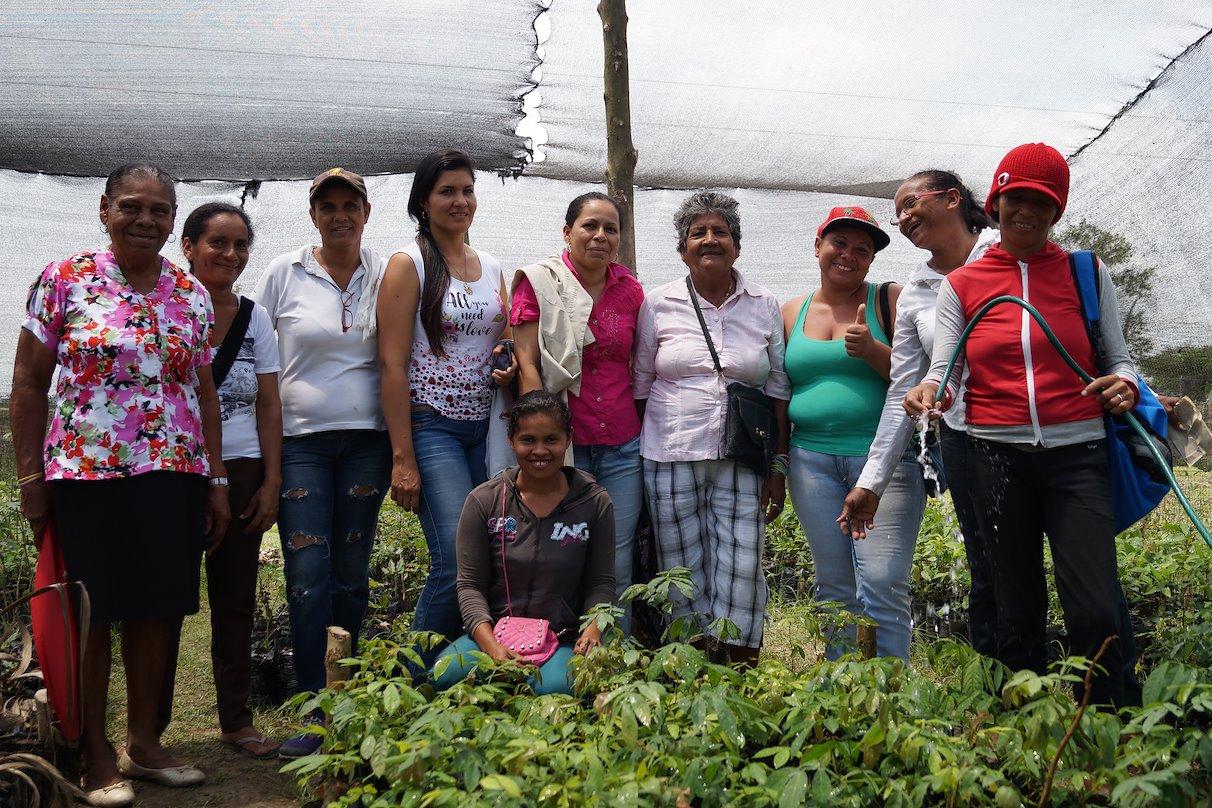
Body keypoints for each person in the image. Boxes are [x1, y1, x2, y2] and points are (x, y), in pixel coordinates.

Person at [11, 163, 227, 806]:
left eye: (160, 211)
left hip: (173, 472)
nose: (146, 220)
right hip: (87, 471)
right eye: (132, 207)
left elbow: (204, 392)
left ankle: (144, 743)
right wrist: (30, 475)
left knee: (158, 607)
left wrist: (216, 477)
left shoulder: (189, 295)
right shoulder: (65, 279)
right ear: (104, 209)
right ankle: (94, 751)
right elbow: (28, 383)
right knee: (91, 611)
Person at [905, 143, 1141, 706]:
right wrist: (930, 392)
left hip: (1077, 456)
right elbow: (946, 372)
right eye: (1015, 199)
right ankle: (1026, 723)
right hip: (995, 459)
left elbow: (1120, 358)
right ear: (996, 201)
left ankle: (1113, 720)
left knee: (1095, 602)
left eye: (1042, 201)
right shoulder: (962, 284)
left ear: (1057, 210)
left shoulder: (1085, 271)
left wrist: (1125, 386)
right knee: (1016, 601)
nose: (1026, 212)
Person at [255, 168, 391, 757]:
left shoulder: (386, 273)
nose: (340, 215)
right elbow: (259, 354)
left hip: (367, 443)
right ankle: (313, 708)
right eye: (328, 206)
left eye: (350, 205)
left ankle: (349, 700)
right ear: (313, 214)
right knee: (308, 577)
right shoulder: (286, 272)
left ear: (366, 212)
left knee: (352, 574)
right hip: (302, 443)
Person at [837, 174, 1000, 656]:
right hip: (968, 443)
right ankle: (1003, 702)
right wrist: (872, 482)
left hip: (1048, 439)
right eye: (899, 211)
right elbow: (902, 393)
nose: (905, 217)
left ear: (953, 199)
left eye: (911, 203)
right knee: (988, 571)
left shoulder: (1009, 257)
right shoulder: (918, 290)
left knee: (1077, 573)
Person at [634, 191, 791, 667]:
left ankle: (739, 671)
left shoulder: (763, 303)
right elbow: (642, 381)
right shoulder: (658, 302)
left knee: (743, 566)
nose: (709, 240)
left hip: (742, 457)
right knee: (681, 568)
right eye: (697, 233)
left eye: (719, 231)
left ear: (736, 246)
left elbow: (778, 388)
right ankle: (692, 671)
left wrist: (777, 465)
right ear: (682, 250)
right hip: (669, 453)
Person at [154, 203, 282, 759]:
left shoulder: (255, 318)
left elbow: (270, 404)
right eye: (217, 243)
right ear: (187, 246)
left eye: (239, 245)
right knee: (161, 598)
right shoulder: (161, 308)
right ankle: (150, 727)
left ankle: (235, 719)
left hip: (245, 467)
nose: (229, 255)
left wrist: (271, 481)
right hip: (179, 470)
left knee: (235, 598)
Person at [376, 149, 516, 657]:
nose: (460, 201)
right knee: (454, 560)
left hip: (488, 427)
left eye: (466, 190)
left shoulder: (492, 266)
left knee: (492, 552)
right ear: (423, 202)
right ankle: (409, 677)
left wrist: (510, 361)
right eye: (446, 191)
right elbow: (390, 364)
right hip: (431, 424)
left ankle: (462, 672)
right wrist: (402, 456)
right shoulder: (408, 264)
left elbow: (502, 340)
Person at [781, 206, 920, 660]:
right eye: (839, 243)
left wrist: (873, 350)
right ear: (818, 246)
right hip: (810, 462)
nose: (849, 255)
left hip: (885, 464)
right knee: (834, 583)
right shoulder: (789, 312)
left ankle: (892, 697)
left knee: (881, 581)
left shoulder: (890, 300)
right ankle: (842, 694)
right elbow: (779, 393)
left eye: (863, 249)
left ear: (872, 260)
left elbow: (918, 378)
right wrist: (777, 462)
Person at [511, 192, 645, 627]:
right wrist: (547, 441)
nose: (600, 236)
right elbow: (528, 365)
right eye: (590, 226)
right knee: (557, 549)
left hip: (623, 444)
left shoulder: (630, 290)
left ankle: (613, 652)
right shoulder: (540, 282)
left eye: (611, 228)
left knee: (616, 552)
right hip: (564, 447)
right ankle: (554, 648)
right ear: (567, 232)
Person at [432, 391, 615, 695]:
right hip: (494, 635)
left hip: (564, 639)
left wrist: (594, 629)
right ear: (511, 441)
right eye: (528, 440)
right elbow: (469, 585)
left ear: (568, 439)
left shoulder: (594, 503)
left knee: (554, 689)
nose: (540, 451)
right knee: (445, 674)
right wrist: (491, 647)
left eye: (551, 440)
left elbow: (602, 583)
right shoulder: (484, 501)